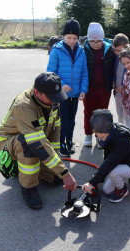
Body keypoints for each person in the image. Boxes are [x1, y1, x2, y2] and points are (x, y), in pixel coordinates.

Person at [0, 72, 77, 210]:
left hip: (37, 137)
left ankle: (34, 169)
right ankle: (29, 188)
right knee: (29, 145)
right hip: (10, 141)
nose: (54, 101)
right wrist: (65, 173)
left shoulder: (51, 97)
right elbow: (37, 142)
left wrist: (58, 166)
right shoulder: (24, 106)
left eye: (56, 97)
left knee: (55, 179)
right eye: (51, 98)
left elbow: (55, 131)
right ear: (36, 92)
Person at [82, 109, 130, 202]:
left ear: (107, 131)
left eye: (102, 137)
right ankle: (127, 175)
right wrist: (98, 180)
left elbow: (109, 163)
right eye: (98, 137)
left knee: (112, 171)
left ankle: (122, 190)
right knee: (107, 191)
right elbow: (107, 159)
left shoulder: (121, 141)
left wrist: (92, 182)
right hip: (122, 163)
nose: (101, 140)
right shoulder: (110, 135)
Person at [47, 17, 89, 157]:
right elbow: (51, 72)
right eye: (69, 37)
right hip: (62, 93)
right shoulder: (57, 50)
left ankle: (69, 141)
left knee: (71, 119)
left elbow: (84, 72)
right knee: (63, 119)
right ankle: (61, 144)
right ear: (64, 36)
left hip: (75, 93)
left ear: (78, 38)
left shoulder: (81, 52)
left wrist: (83, 90)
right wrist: (62, 84)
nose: (72, 41)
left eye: (75, 38)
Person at [83, 22, 116, 148]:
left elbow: (114, 67)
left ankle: (99, 137)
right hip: (89, 88)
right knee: (88, 112)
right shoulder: (84, 50)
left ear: (102, 39)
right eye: (92, 41)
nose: (95, 44)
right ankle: (88, 134)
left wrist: (113, 80)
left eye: (98, 41)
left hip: (104, 88)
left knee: (102, 113)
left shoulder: (109, 50)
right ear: (88, 40)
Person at [112, 33, 130, 131]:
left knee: (128, 116)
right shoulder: (117, 58)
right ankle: (121, 133)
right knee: (120, 114)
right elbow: (115, 72)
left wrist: (124, 87)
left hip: (128, 94)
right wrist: (113, 81)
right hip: (117, 93)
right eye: (115, 50)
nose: (117, 52)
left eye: (119, 50)